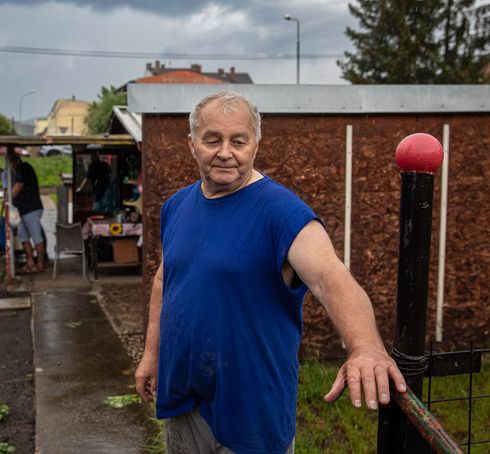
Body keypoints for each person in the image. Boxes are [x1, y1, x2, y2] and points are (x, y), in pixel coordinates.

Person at [134, 91, 407, 454]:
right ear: (192, 145)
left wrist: (366, 346)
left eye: (238, 141)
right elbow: (164, 281)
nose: (225, 152)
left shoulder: (282, 212)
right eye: (212, 139)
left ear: (256, 145)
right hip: (184, 397)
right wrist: (151, 355)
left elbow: (330, 277)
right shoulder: (177, 206)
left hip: (252, 411)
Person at [7, 151, 46, 273]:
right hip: (23, 209)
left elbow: (18, 187)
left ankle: (40, 265)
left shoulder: (23, 168)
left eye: (11, 163)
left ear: (14, 161)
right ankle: (30, 262)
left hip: (31, 208)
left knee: (36, 237)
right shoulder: (16, 170)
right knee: (23, 237)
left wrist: (7, 198)